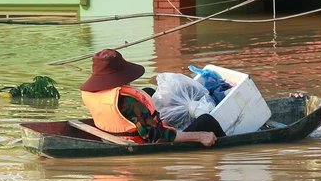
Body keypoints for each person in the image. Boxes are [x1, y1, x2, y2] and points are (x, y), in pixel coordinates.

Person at [80, 49, 224, 146]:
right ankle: (227, 143)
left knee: (148, 91)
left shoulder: (93, 93)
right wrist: (200, 136)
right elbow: (157, 136)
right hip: (140, 142)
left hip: (110, 137)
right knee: (206, 120)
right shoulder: (129, 101)